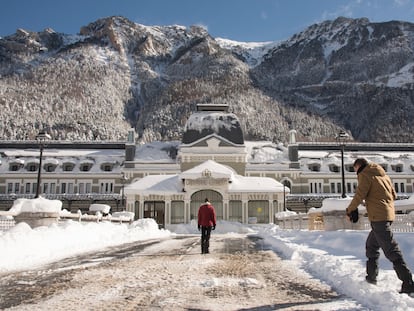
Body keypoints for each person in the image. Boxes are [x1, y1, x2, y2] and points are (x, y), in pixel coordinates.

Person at [346, 158, 414, 294]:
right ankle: (371, 278)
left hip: (379, 218)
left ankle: (408, 283)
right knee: (371, 246)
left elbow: (360, 194)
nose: (355, 173)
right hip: (388, 215)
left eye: (354, 170)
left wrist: (350, 209)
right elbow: (393, 195)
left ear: (358, 166)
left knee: (391, 250)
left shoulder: (364, 174)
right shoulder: (384, 175)